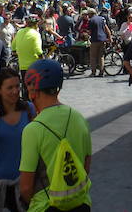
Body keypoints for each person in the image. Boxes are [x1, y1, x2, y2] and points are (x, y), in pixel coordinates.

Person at [19, 59, 92, 211]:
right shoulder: (79, 118)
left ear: (33, 90)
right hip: (80, 203)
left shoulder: (32, 130)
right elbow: (85, 166)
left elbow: (25, 188)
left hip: (46, 206)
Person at [0, 68, 36, 209]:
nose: (15, 91)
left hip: (23, 180)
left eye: (17, 86)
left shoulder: (29, 109)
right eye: (10, 87)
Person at [13, 15, 45, 89]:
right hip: (34, 65)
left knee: (25, 86)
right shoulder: (35, 34)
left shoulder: (19, 32)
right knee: (34, 87)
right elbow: (38, 50)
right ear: (35, 25)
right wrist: (42, 59)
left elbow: (13, 46)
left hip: (22, 65)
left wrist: (15, 52)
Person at [87, 9, 111, 78]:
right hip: (103, 39)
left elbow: (89, 32)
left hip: (95, 40)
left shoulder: (91, 20)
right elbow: (106, 28)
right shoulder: (102, 19)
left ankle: (93, 72)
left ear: (90, 14)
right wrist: (109, 37)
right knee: (101, 56)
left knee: (93, 57)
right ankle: (101, 72)